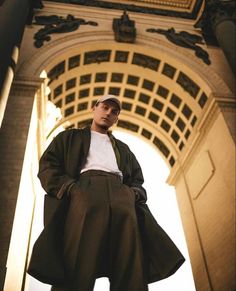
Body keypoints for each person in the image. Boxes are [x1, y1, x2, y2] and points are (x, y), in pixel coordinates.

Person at [28, 94, 185, 291]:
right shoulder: (70, 137)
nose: (108, 113)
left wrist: (132, 194)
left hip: (122, 195)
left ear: (116, 118)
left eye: (114, 112)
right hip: (84, 192)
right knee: (77, 259)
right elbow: (48, 165)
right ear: (95, 108)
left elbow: (137, 177)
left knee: (129, 262)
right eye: (105, 107)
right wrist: (71, 188)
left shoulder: (123, 148)